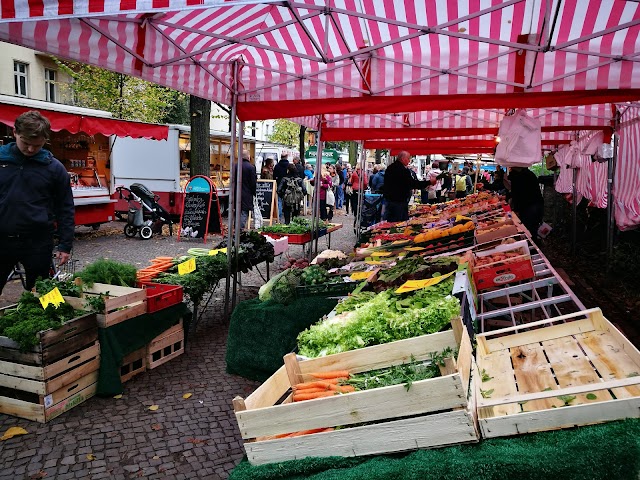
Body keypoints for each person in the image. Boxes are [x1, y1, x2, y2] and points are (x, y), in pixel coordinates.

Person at [0, 110, 74, 294]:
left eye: (37, 145)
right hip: (2, 239)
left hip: (38, 242)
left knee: (45, 291)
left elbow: (65, 207)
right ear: (15, 132)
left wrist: (65, 244)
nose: (31, 149)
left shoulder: (54, 168)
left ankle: (56, 321)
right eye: (26, 143)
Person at [381, 151, 429, 222]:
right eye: (408, 158)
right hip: (399, 202)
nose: (409, 161)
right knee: (399, 223)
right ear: (403, 158)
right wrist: (428, 182)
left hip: (390, 201)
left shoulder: (390, 168)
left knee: (390, 222)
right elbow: (412, 183)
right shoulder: (403, 170)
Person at [504, 166, 544, 240]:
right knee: (532, 229)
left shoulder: (518, 176)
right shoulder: (528, 174)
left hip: (529, 207)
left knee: (528, 230)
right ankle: (533, 244)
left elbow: (519, 194)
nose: (510, 168)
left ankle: (530, 247)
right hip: (535, 205)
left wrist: (516, 209)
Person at [239, 150, 257, 230]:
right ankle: (240, 229)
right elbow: (253, 183)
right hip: (247, 193)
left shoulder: (235, 166)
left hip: (236, 193)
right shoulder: (251, 167)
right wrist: (254, 192)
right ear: (248, 157)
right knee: (244, 212)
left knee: (237, 211)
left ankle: (236, 228)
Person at [273, 154, 289, 222]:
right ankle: (287, 218)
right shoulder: (289, 165)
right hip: (287, 185)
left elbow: (274, 176)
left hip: (279, 185)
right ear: (286, 157)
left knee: (279, 201)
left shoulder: (277, 166)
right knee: (286, 202)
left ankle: (279, 217)